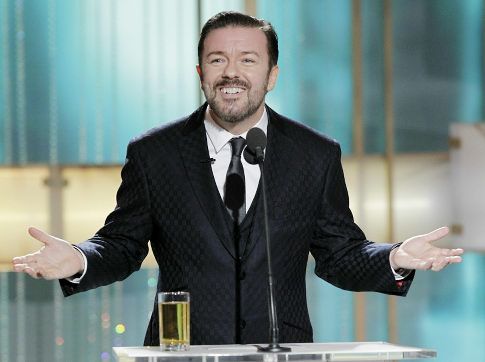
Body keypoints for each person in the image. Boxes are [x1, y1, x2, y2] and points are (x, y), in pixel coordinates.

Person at [12, 11, 463, 346]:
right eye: (217, 60)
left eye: (248, 60)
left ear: (271, 75)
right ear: (200, 73)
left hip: (281, 351)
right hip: (180, 351)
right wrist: (78, 259)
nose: (231, 72)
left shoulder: (314, 154)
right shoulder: (155, 154)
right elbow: (122, 244)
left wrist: (397, 257)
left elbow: (338, 253)